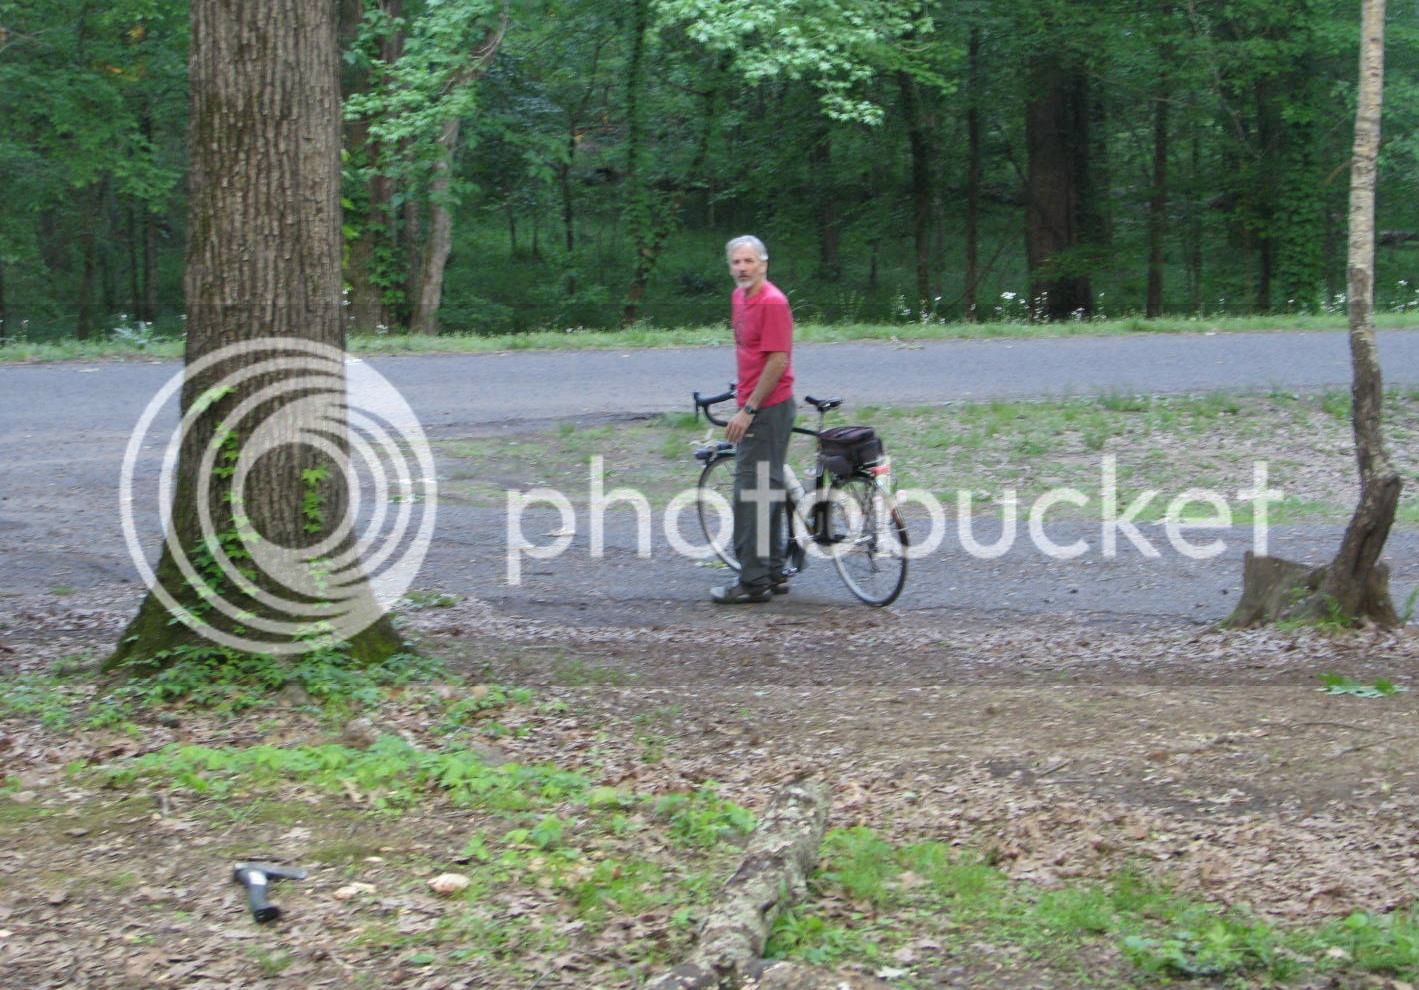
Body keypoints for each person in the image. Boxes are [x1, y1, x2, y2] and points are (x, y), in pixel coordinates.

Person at [711, 235, 796, 604]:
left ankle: (752, 582)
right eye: (736, 262)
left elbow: (778, 360)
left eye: (749, 261)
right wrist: (741, 391)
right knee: (768, 488)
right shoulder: (739, 298)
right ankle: (774, 571)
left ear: (764, 264)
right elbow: (751, 353)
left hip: (767, 408)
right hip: (755, 399)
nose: (742, 268)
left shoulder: (773, 303)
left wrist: (749, 409)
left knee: (750, 493)